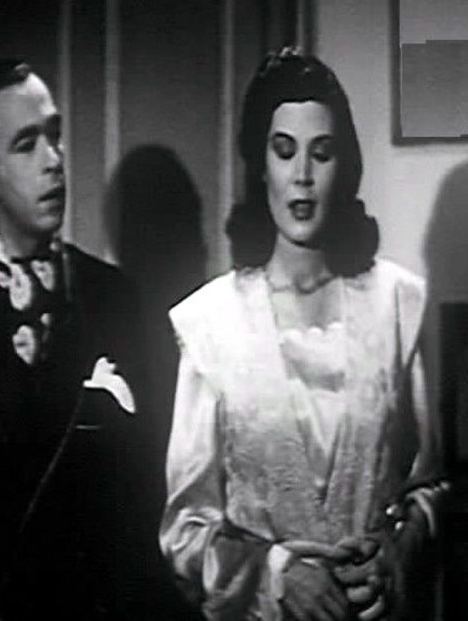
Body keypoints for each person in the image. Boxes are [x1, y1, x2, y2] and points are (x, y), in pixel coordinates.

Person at [160, 48, 448, 621]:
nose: (303, 177)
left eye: (322, 153)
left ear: (345, 167)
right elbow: (184, 531)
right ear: (259, 164)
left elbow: (431, 486)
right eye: (284, 150)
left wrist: (397, 552)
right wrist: (274, 575)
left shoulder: (398, 304)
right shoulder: (210, 324)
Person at [0, 59, 167, 619]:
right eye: (26, 145)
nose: (54, 161)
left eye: (54, 136)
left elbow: (149, 496)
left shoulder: (115, 298)